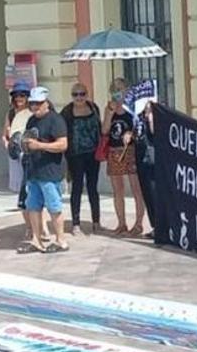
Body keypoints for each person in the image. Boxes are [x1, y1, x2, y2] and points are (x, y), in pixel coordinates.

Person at [19, 87, 69, 253]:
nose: (35, 106)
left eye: (38, 103)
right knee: (32, 205)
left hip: (50, 171)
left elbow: (63, 144)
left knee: (54, 206)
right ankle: (36, 239)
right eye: (32, 103)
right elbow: (28, 140)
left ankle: (61, 240)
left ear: (46, 102)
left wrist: (40, 145)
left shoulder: (56, 120)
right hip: (34, 170)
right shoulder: (31, 121)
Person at [103, 78, 146, 236]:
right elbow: (105, 130)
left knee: (136, 188)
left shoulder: (133, 107)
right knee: (118, 190)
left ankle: (139, 223)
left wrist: (131, 134)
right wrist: (110, 113)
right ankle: (121, 223)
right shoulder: (109, 107)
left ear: (127, 90)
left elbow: (140, 128)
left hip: (131, 150)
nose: (117, 92)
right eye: (114, 89)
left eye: (120, 89)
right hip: (115, 151)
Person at [61, 83, 101, 235]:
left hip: (93, 154)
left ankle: (96, 222)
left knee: (93, 188)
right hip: (75, 155)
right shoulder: (67, 112)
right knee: (77, 188)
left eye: (82, 94)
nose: (79, 97)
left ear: (87, 94)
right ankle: (76, 224)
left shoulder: (93, 108)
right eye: (75, 94)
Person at [2, 80, 32, 210]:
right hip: (16, 152)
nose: (19, 98)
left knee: (28, 181)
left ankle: (28, 203)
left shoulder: (32, 112)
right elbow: (4, 134)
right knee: (20, 181)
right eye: (16, 96)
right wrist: (7, 144)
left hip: (29, 151)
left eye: (22, 95)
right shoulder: (11, 113)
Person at [133, 97, 158, 238]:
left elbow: (155, 132)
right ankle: (154, 225)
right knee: (147, 194)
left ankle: (161, 226)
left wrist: (150, 116)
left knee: (155, 193)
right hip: (141, 158)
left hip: (154, 160)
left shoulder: (155, 115)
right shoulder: (137, 116)